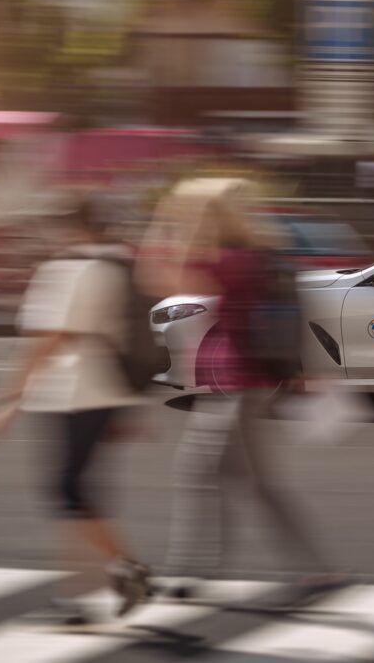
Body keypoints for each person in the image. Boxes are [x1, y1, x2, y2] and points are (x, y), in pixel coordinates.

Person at [136, 178, 347, 601]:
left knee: (197, 475)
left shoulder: (232, 261)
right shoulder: (251, 257)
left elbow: (154, 277)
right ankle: (319, 570)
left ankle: (188, 572)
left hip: (235, 385)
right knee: (253, 482)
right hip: (242, 384)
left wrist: (163, 223)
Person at [0, 199, 151, 625]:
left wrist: (8, 402)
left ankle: (124, 569)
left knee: (68, 491)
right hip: (110, 389)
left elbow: (44, 340)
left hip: (73, 391)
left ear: (65, 227)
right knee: (77, 494)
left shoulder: (66, 270)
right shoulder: (121, 265)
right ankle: (78, 593)